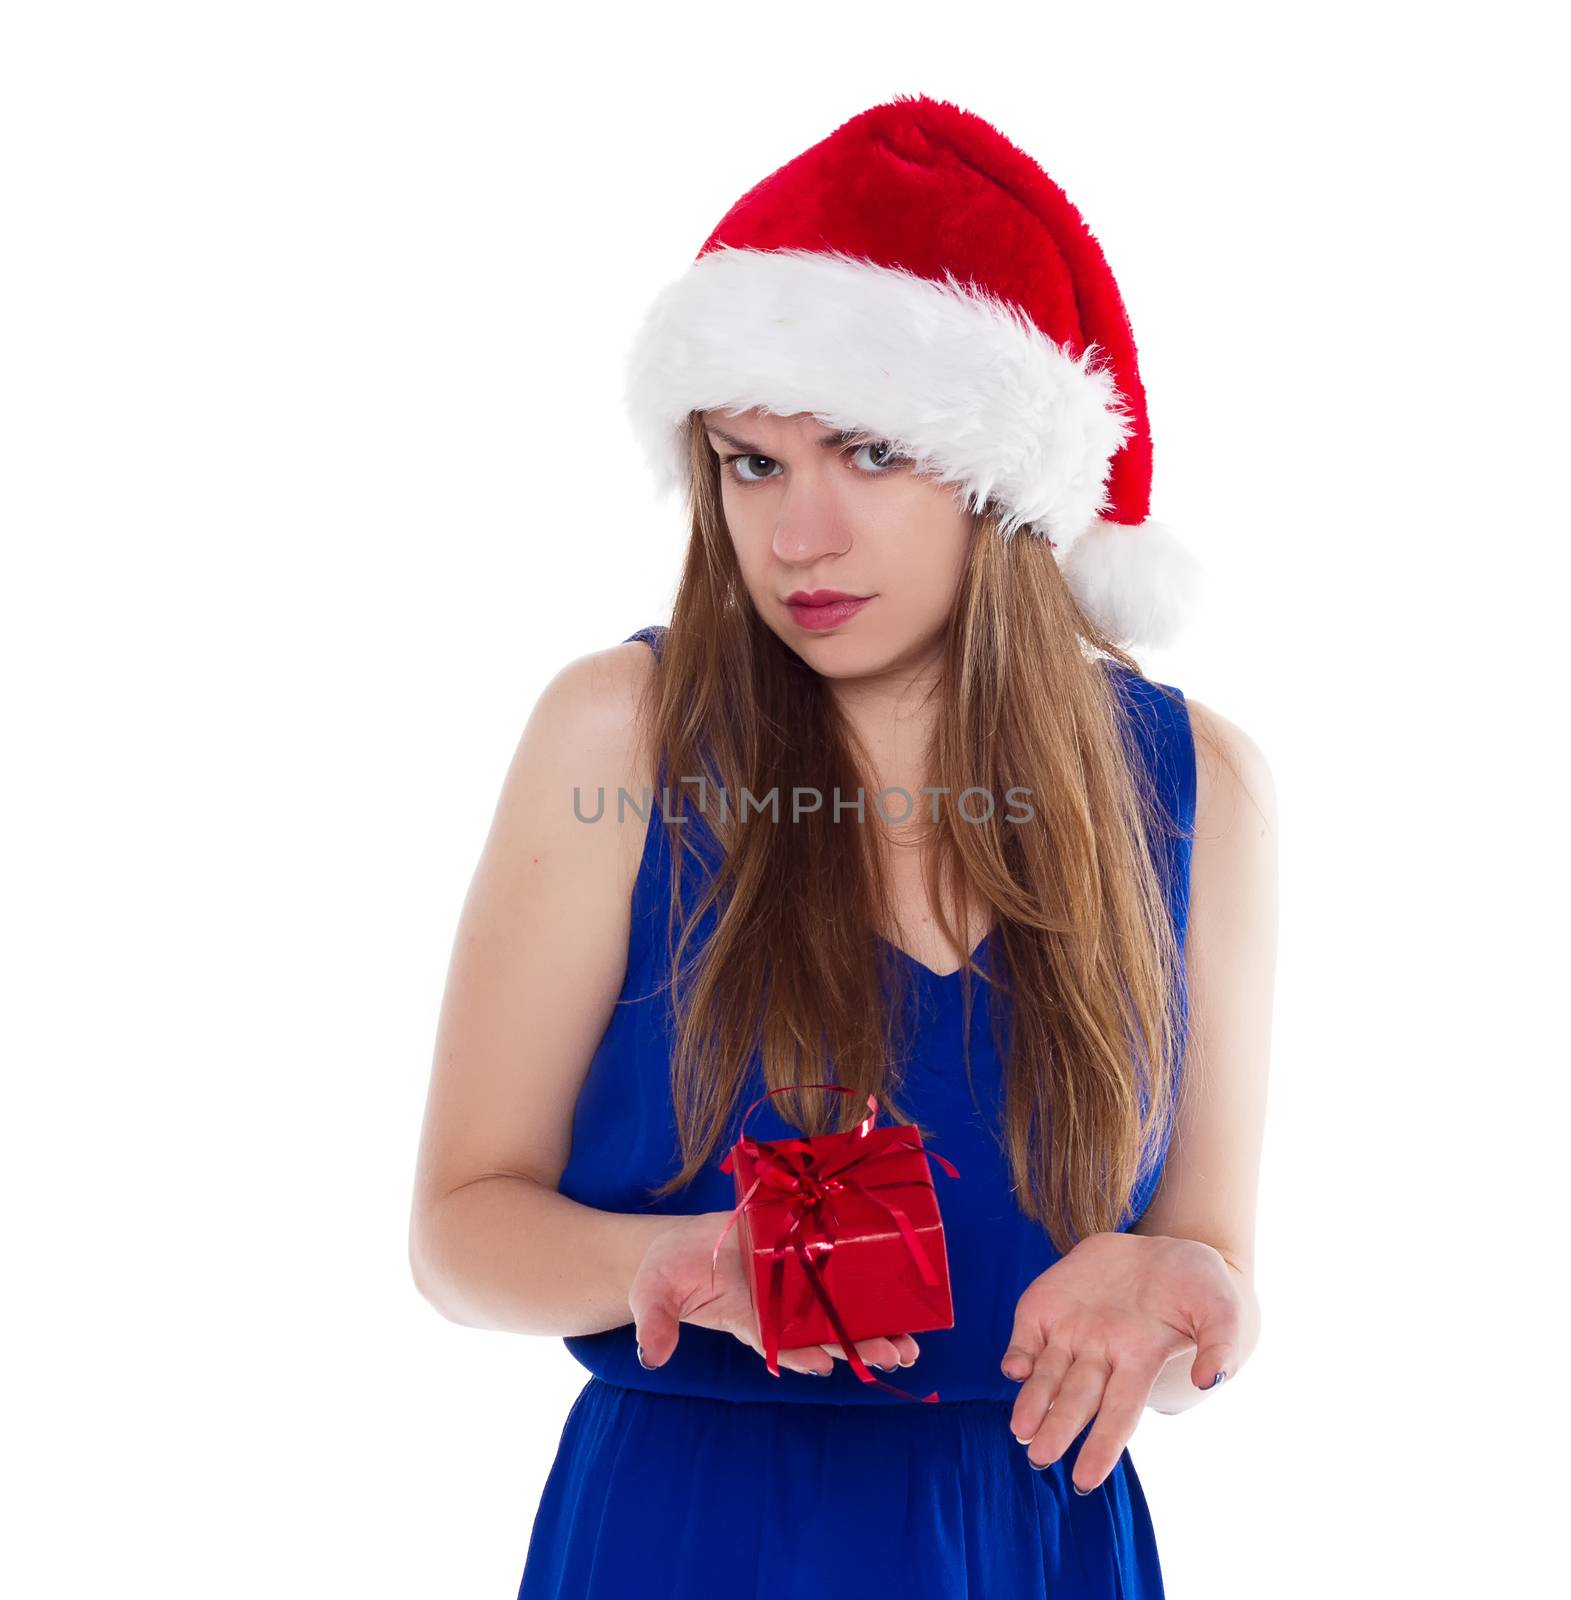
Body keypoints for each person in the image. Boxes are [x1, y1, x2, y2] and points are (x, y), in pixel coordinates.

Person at [409, 93, 1276, 1599]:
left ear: (1004, 479)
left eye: (868, 454)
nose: (795, 535)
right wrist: (666, 1267)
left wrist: (1193, 1312)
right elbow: (458, 1226)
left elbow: (1196, 1281)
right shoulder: (621, 734)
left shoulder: (1197, 788)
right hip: (697, 1534)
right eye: (750, 463)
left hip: (1041, 1537)